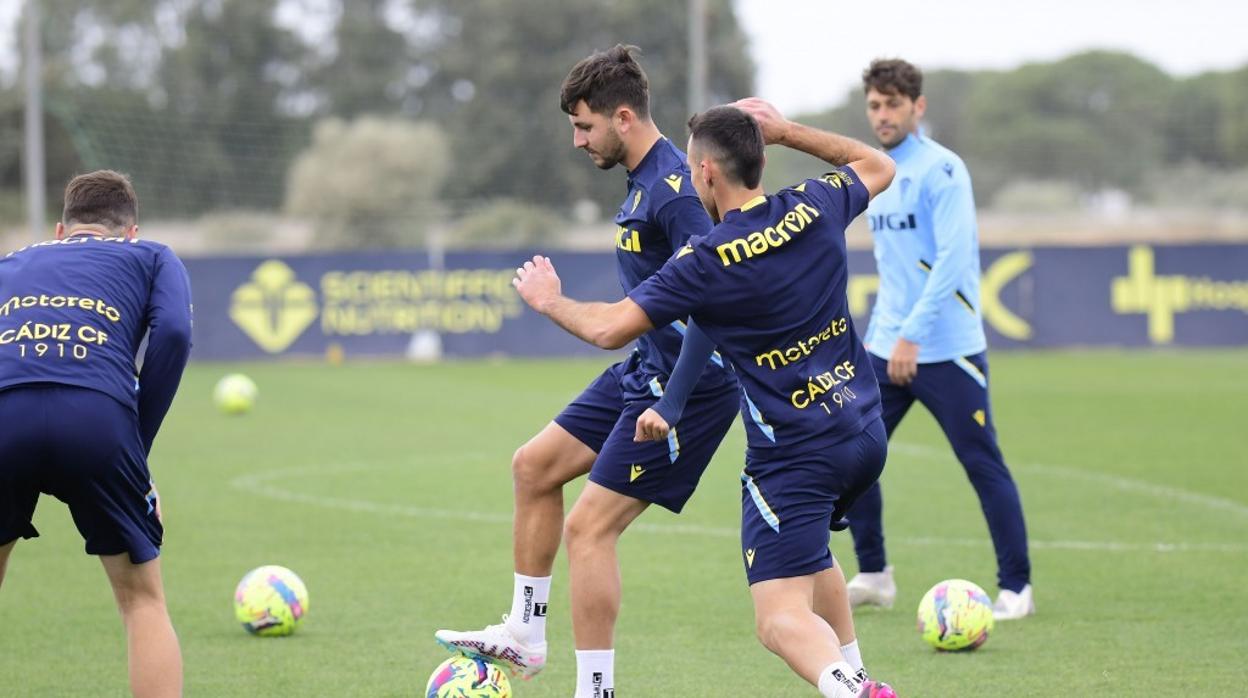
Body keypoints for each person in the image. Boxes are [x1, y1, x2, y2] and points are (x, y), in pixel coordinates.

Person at [513, 101, 898, 698]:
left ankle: (852, 687)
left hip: (795, 456)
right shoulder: (813, 206)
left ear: (705, 175)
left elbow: (610, 329)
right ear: (762, 158)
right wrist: (787, 128)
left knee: (778, 619)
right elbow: (876, 163)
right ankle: (858, 674)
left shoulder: (708, 259)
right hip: (864, 432)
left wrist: (549, 300)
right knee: (811, 553)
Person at [435, 45, 740, 698]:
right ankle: (524, 632)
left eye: (584, 126)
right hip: (645, 367)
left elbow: (716, 293)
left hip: (691, 386)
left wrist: (677, 402)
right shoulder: (642, 180)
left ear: (622, 117)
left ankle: (595, 690)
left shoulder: (675, 189)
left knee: (589, 528)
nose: (577, 141)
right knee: (533, 467)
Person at [842, 58, 1033, 620]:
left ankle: (1016, 587)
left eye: (892, 105)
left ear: (917, 107)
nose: (882, 115)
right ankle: (875, 573)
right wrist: (888, 336)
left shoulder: (942, 170)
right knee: (851, 459)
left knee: (982, 463)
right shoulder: (872, 170)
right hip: (884, 346)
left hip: (945, 349)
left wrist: (912, 336)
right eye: (874, 105)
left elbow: (954, 260)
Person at [0, 170, 193, 697]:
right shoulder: (151, 255)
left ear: (59, 231)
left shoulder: (12, 262)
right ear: (130, 231)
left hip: (5, 414)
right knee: (141, 601)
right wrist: (138, 446)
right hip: (96, 421)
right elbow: (174, 333)